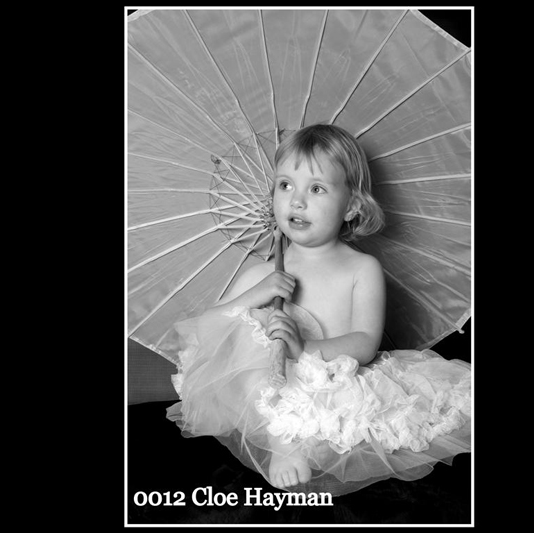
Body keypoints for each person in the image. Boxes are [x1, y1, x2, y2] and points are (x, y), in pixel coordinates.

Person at [163, 124, 471, 497]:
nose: (296, 201)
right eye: (285, 185)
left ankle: (298, 433)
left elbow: (365, 342)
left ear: (352, 206)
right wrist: (256, 295)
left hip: (335, 382)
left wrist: (303, 348)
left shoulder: (361, 269)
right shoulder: (262, 274)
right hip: (270, 390)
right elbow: (202, 331)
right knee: (245, 326)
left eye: (317, 189)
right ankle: (282, 440)